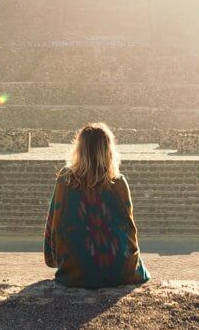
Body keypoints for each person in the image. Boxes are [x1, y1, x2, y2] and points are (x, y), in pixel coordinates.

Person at [44, 122, 150, 288]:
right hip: (120, 270)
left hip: (75, 271)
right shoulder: (119, 182)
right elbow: (129, 229)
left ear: (79, 149)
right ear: (109, 150)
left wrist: (53, 259)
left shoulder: (65, 180)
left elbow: (54, 223)